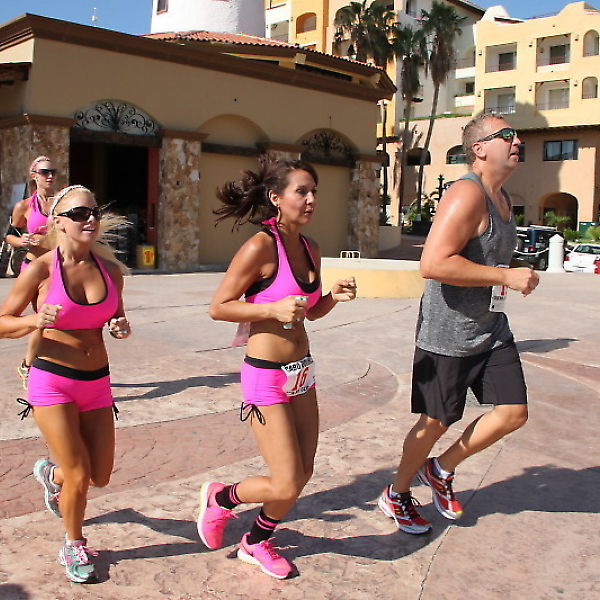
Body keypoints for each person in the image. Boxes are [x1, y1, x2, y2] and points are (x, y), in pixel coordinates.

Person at [378, 114, 539, 535]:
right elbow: (433, 263)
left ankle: (440, 469)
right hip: (447, 335)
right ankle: (396, 493)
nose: (517, 141)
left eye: (516, 135)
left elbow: (483, 255)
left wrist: (511, 270)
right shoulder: (466, 194)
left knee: (512, 413)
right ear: (479, 148)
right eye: (507, 135)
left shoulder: (501, 197)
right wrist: (504, 276)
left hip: (490, 328)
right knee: (434, 422)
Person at [198, 157, 356, 579]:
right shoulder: (260, 246)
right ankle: (221, 499)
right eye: (301, 191)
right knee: (284, 482)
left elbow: (309, 312)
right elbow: (219, 307)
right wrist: (270, 309)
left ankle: (255, 541)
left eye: (314, 191)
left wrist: (332, 297)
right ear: (276, 198)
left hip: (302, 373)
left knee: (302, 473)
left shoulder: (311, 248)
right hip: (265, 376)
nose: (311, 199)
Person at [0, 185, 131, 583]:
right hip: (52, 381)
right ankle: (74, 543)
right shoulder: (41, 269)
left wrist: (120, 326)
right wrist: (33, 321)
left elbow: (116, 315)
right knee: (78, 473)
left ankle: (49, 475)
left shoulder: (110, 272)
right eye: (78, 214)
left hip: (97, 382)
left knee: (99, 475)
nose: (89, 219)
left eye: (93, 213)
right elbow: (3, 321)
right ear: (58, 222)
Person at [5, 156, 57, 387]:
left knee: (45, 317)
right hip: (31, 267)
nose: (50, 176)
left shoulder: (61, 204)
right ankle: (31, 365)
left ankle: (31, 365)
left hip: (54, 268)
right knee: (38, 318)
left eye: (53, 172)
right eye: (45, 172)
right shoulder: (24, 206)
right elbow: (9, 235)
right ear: (34, 175)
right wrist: (21, 241)